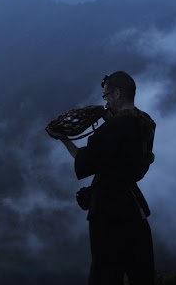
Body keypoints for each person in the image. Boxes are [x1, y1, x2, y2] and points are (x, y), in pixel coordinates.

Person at [46, 71, 156, 285]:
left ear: (116, 94)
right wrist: (110, 118)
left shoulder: (111, 130)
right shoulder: (144, 122)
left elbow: (84, 161)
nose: (104, 101)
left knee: (105, 273)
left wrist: (64, 139)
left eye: (106, 96)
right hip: (135, 207)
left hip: (109, 212)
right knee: (141, 271)